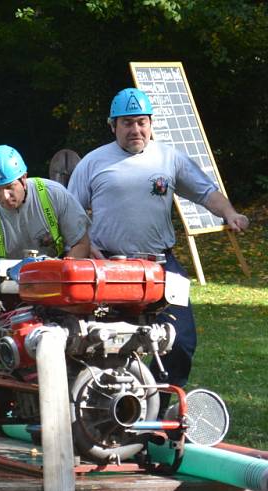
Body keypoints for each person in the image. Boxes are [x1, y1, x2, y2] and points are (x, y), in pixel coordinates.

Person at [68, 87, 249, 408]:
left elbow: (206, 192)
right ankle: (101, 406)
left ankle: (154, 405)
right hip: (109, 266)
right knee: (104, 343)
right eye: (127, 123)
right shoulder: (93, 163)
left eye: (141, 122)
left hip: (160, 265)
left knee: (181, 341)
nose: (135, 130)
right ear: (113, 126)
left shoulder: (170, 157)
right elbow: (69, 215)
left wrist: (231, 213)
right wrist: (87, 245)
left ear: (151, 124)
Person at [0, 144, 90, 267]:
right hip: (5, 283)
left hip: (54, 277)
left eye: (9, 187)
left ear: (24, 179)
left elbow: (82, 244)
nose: (4, 196)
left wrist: (60, 273)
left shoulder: (54, 194)